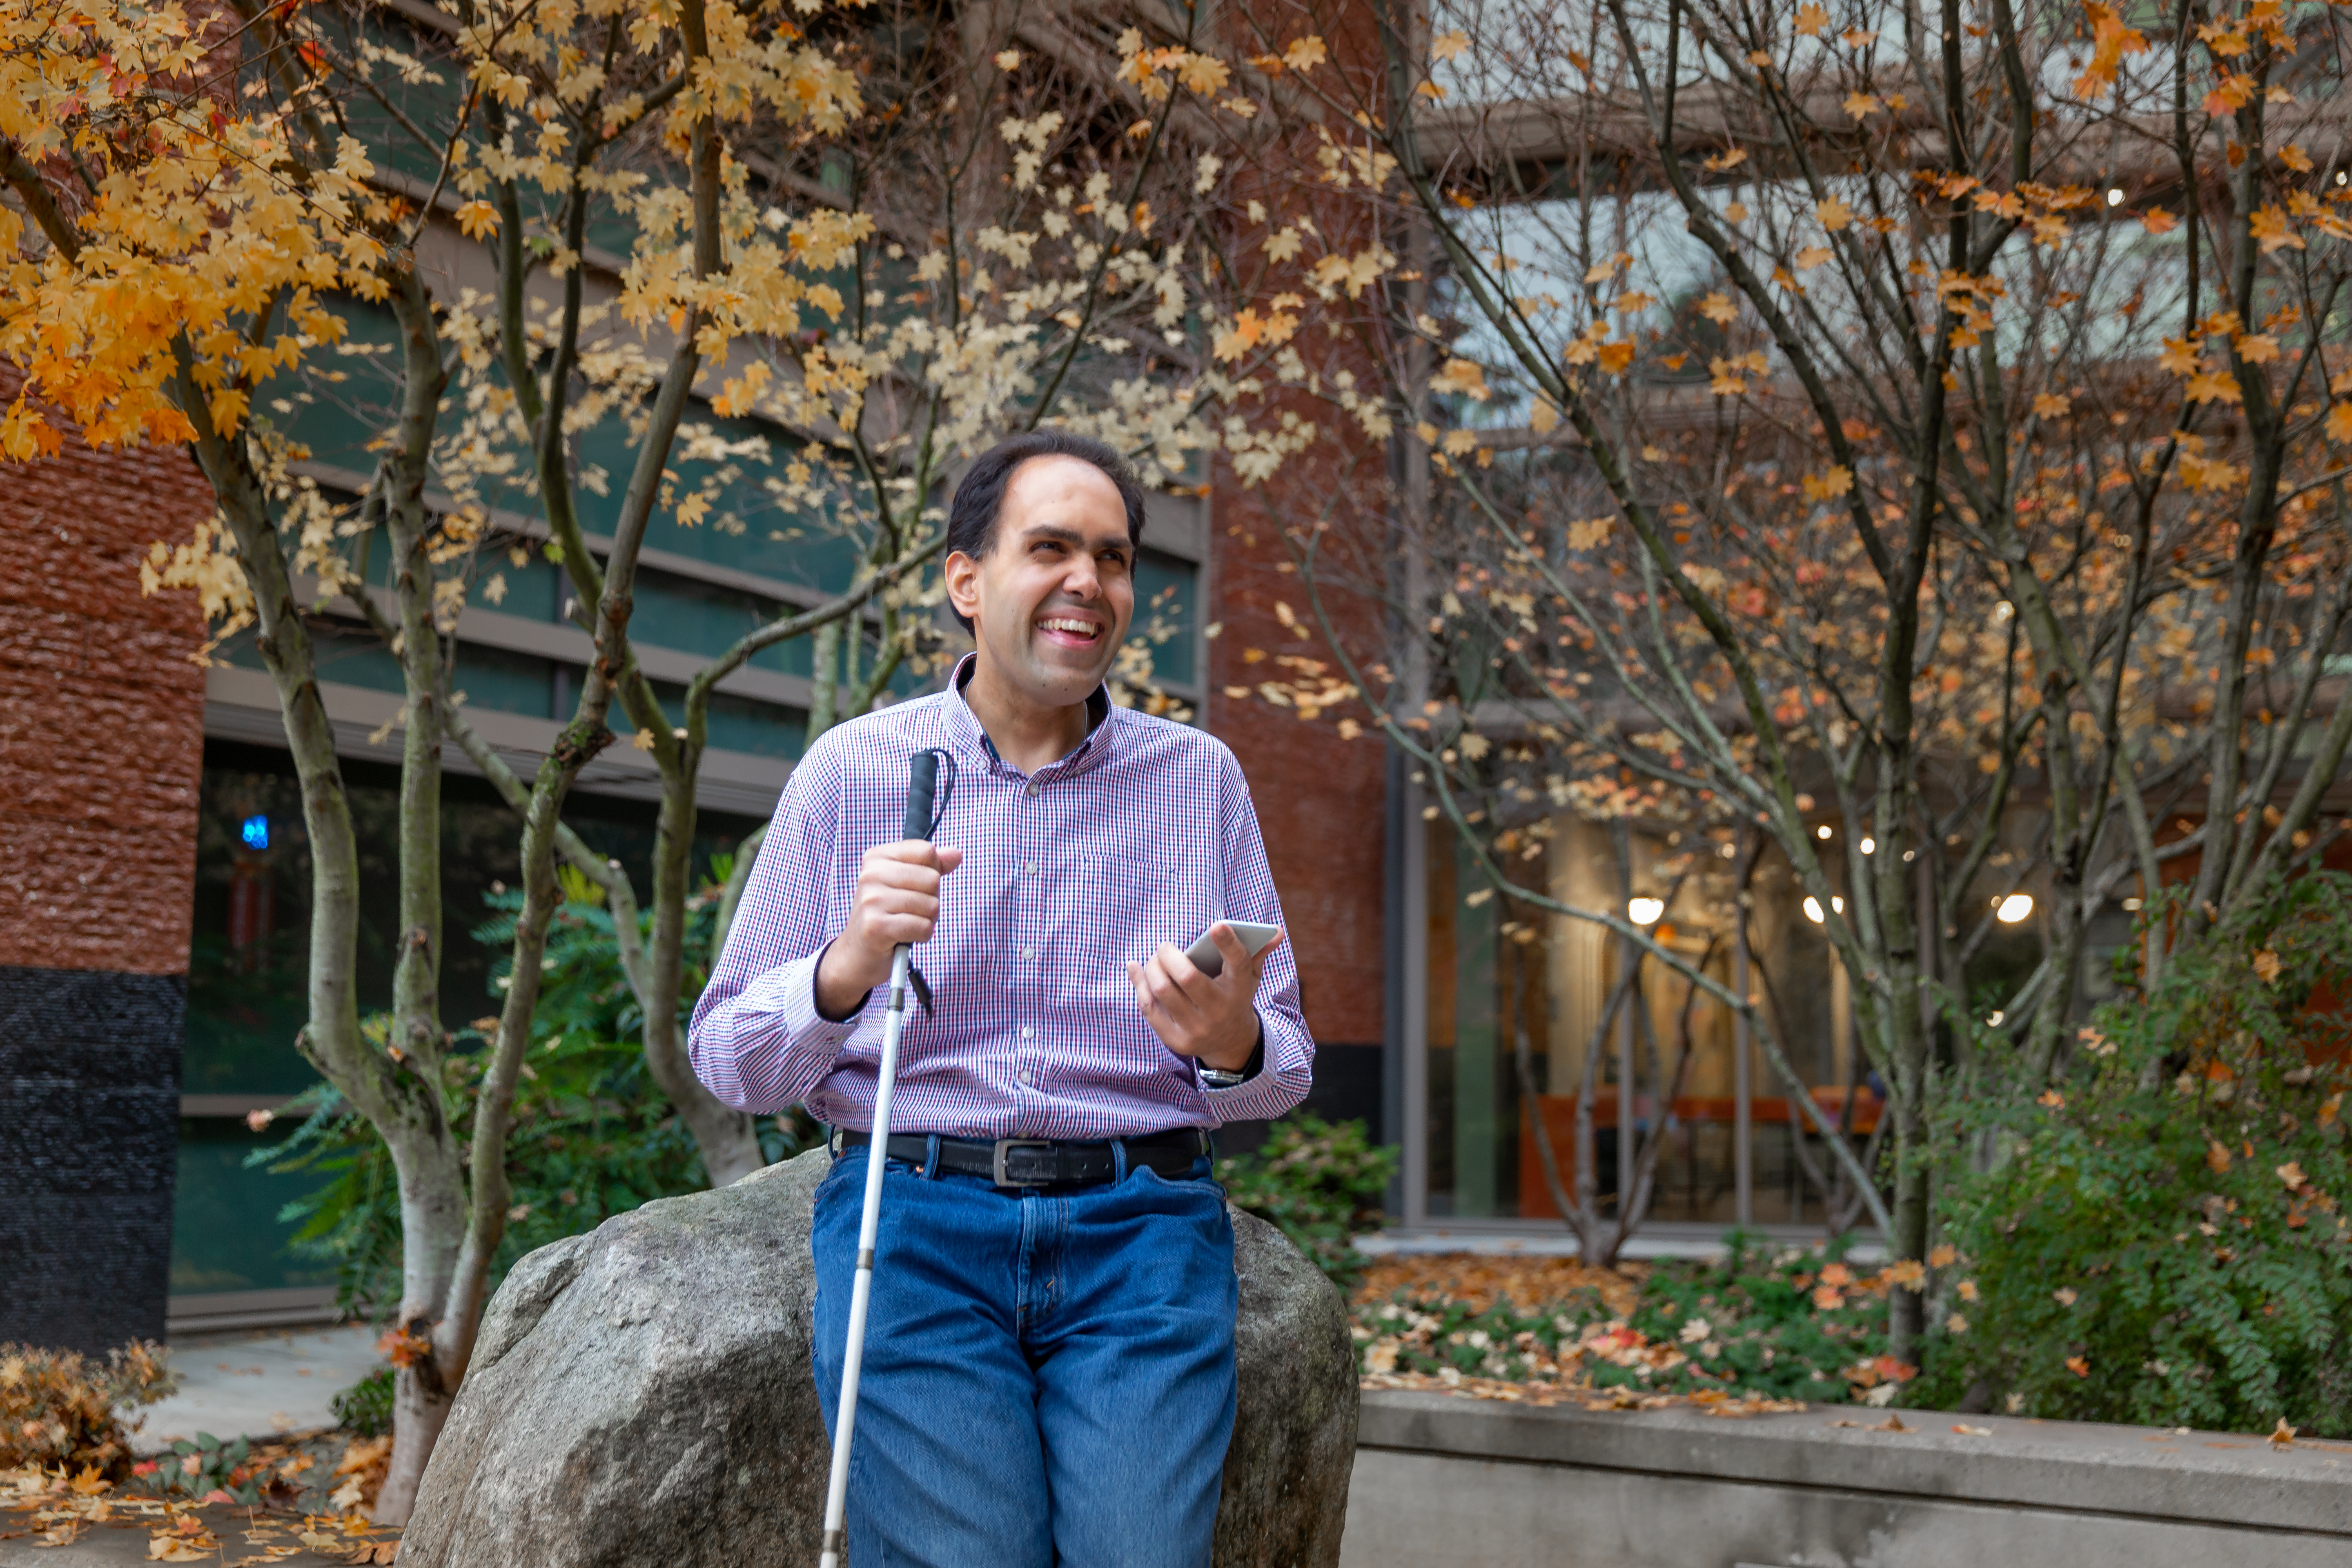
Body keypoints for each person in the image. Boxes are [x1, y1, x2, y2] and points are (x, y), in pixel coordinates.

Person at [688, 430, 1314, 1568]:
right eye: (1052, 549)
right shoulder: (854, 770)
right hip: (914, 1228)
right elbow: (730, 1059)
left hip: (1144, 1233)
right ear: (967, 582)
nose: (1090, 582)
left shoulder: (1201, 779)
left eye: (1114, 559)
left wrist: (1233, 1046)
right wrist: (845, 966)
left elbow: (1287, 1066)